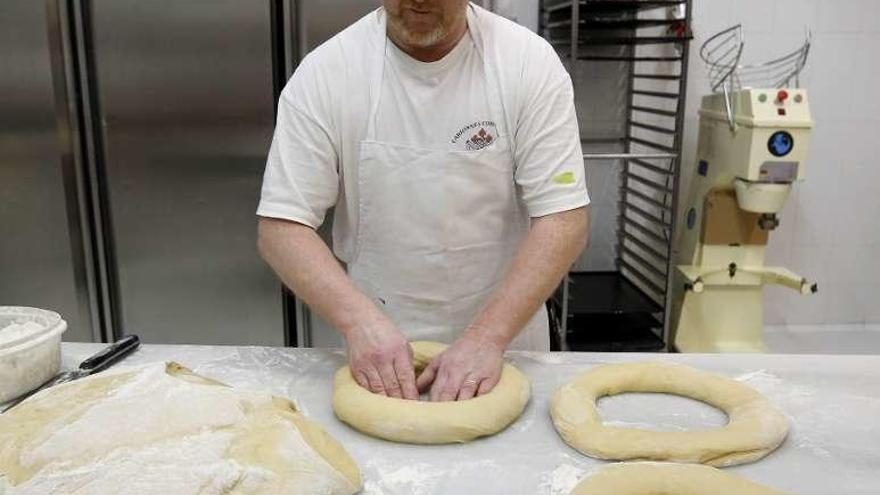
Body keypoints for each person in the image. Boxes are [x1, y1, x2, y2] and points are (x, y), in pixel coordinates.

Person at [257, 0, 590, 402]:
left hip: (506, 341)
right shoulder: (328, 71)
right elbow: (282, 227)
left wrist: (488, 337)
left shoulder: (527, 63)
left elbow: (563, 217)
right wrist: (359, 323)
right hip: (376, 348)